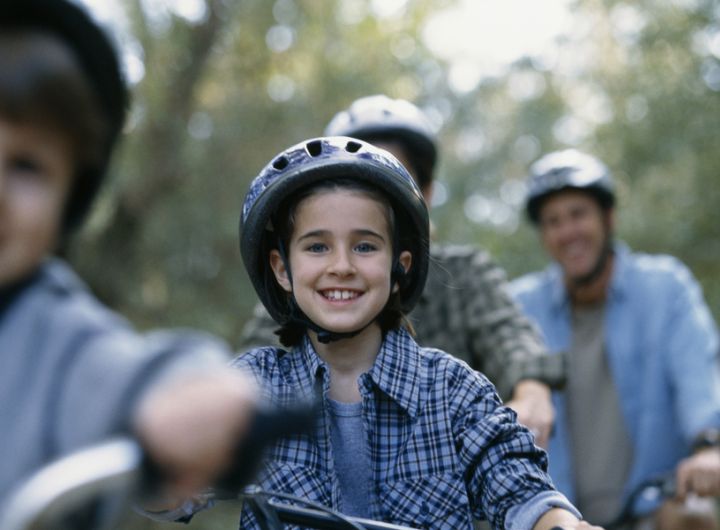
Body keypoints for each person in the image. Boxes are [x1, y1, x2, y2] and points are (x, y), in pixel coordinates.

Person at [229, 135, 603, 529]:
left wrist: (561, 523)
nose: (341, 266)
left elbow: (520, 487)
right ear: (282, 269)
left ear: (400, 267)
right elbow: (175, 466)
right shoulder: (257, 385)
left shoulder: (452, 389)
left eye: (365, 247)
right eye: (317, 247)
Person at [0, 0, 259, 520]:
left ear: (67, 205)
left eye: (26, 167)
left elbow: (137, 377)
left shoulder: (55, 340)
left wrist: (193, 401)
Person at [239, 95, 563, 447]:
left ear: (424, 193)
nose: (341, 266)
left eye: (390, 178)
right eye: (318, 246)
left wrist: (530, 391)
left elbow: (508, 335)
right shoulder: (305, 289)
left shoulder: (463, 273)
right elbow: (258, 357)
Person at [509, 148, 720, 529]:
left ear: (608, 218)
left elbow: (699, 376)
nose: (567, 231)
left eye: (578, 214)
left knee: (694, 516)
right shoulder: (521, 305)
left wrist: (710, 446)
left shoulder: (665, 287)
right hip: (559, 518)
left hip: (652, 507)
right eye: (553, 221)